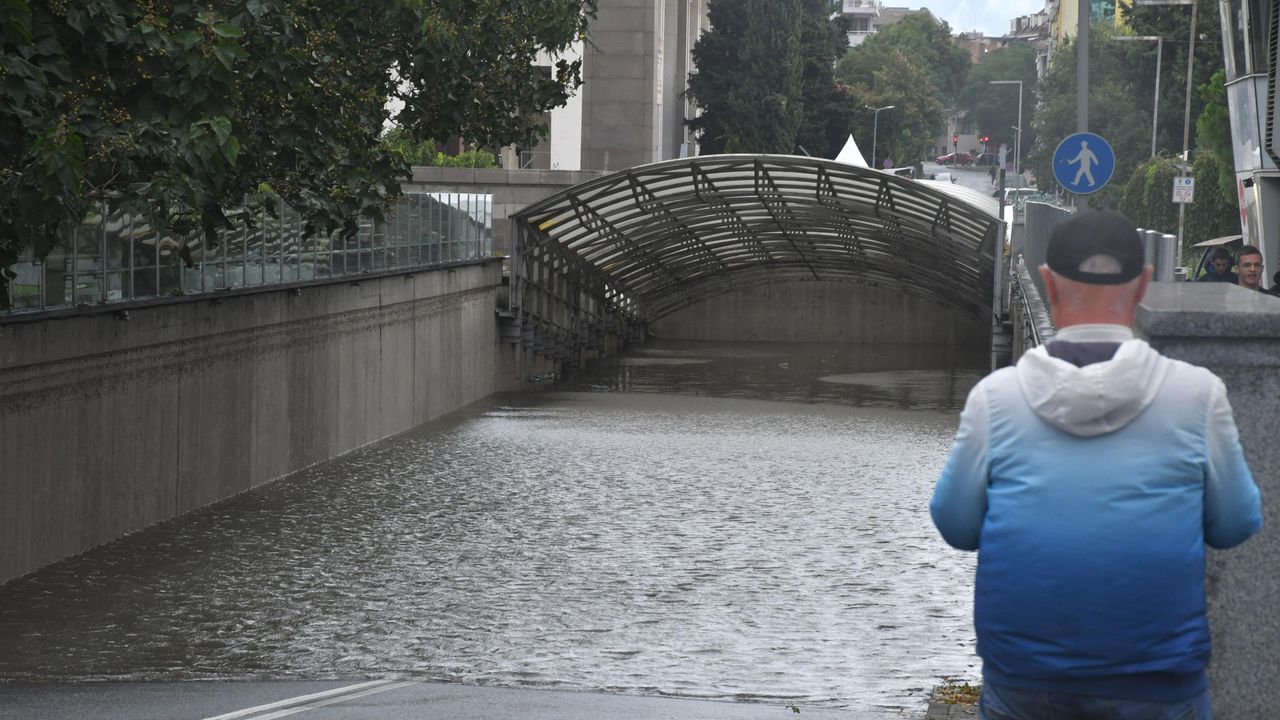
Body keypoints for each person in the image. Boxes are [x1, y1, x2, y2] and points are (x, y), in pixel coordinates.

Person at [930, 209, 1262, 720]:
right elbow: (1237, 522)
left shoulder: (996, 400)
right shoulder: (1198, 396)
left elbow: (954, 525)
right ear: (1144, 284)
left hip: (1024, 680)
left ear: (1047, 283)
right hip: (1158, 680)